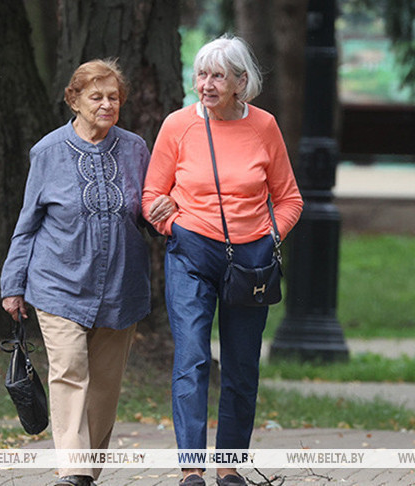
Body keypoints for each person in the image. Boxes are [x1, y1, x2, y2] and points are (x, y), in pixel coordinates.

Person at [0, 59, 175, 486]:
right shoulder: (47, 152)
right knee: (69, 372)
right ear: (74, 100)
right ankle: (74, 471)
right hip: (59, 283)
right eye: (96, 97)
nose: (106, 104)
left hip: (120, 287)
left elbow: (146, 212)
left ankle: (86, 472)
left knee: (105, 387)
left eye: (114, 97)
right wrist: (13, 284)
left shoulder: (135, 149)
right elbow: (28, 223)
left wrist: (162, 212)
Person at [142, 35, 304, 486]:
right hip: (191, 252)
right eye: (201, 75)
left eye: (217, 76)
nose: (207, 85)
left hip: (250, 259)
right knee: (192, 358)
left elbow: (289, 199)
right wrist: (170, 223)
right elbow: (151, 195)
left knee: (241, 365)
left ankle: (229, 466)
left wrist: (269, 237)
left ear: (240, 82)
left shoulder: (264, 126)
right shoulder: (177, 125)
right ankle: (191, 468)